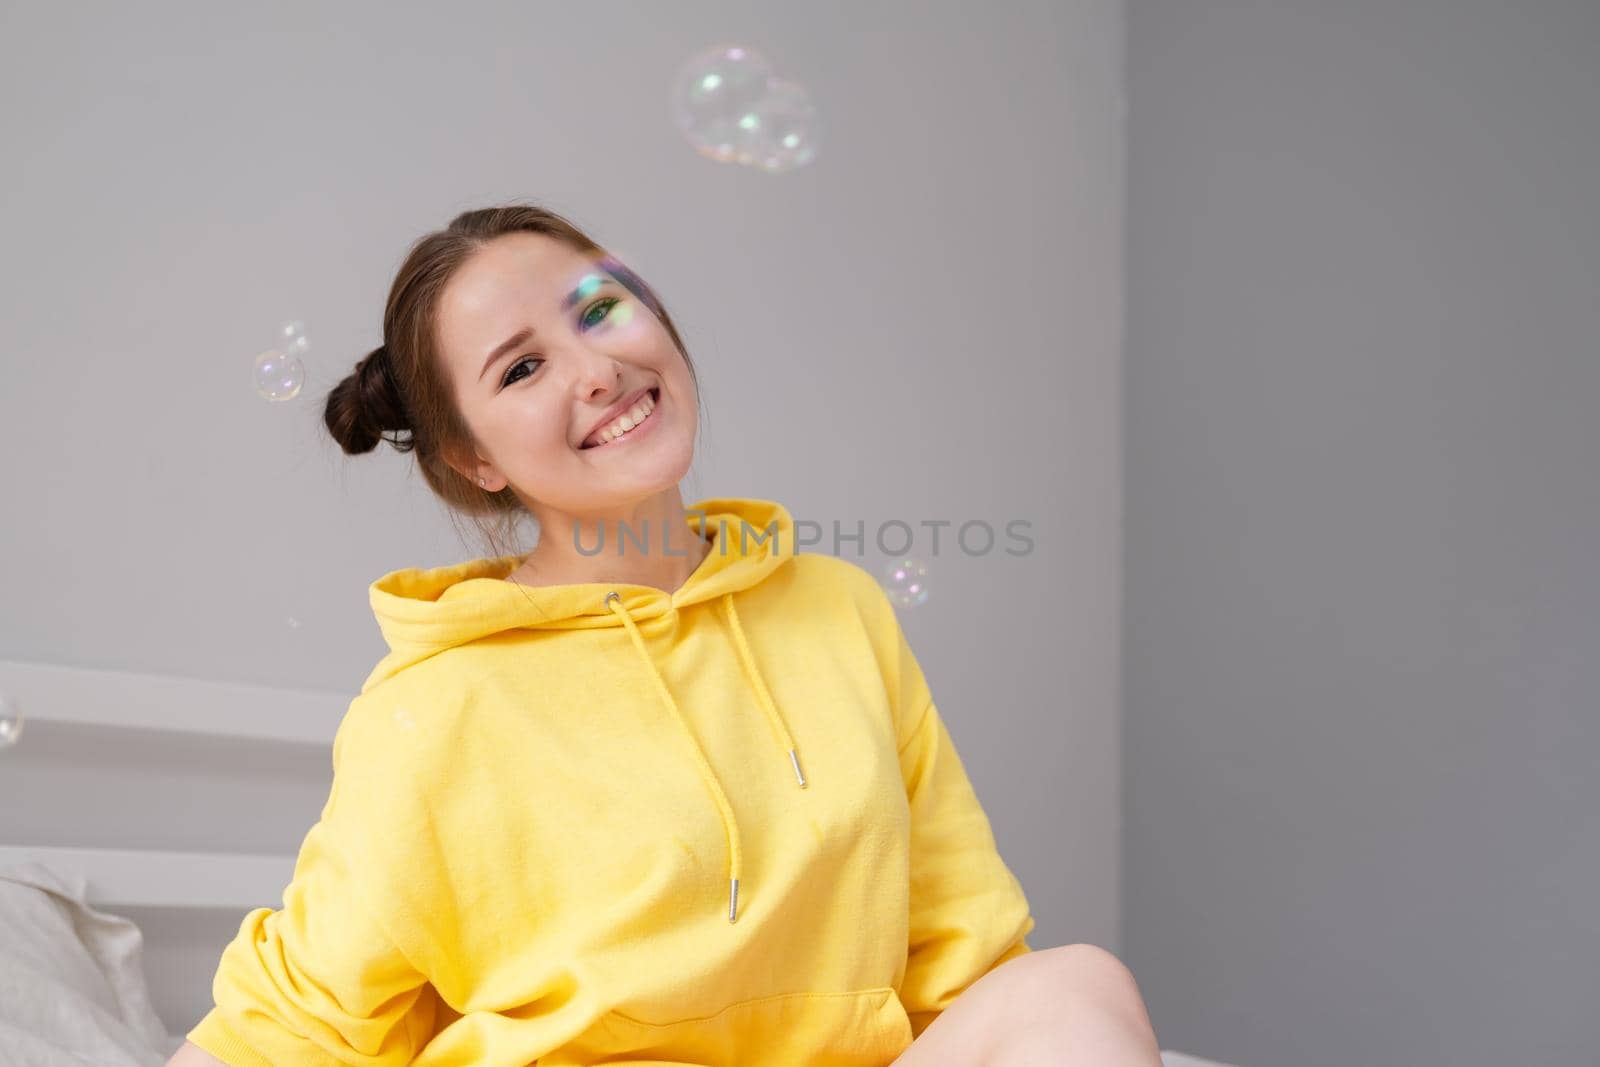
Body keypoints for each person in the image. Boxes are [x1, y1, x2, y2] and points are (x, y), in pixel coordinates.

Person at [169, 203, 1164, 1066]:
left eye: (600, 309)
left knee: (1072, 981)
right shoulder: (434, 704)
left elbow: (961, 945)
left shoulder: (839, 609)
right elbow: (295, 1018)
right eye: (522, 367)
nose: (597, 368)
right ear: (474, 457)